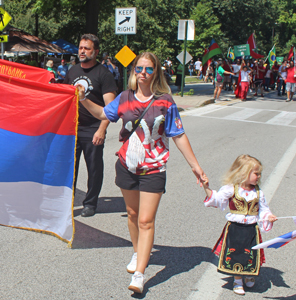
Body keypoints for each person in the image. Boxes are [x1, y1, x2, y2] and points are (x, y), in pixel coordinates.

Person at [76, 52, 208, 293]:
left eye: (148, 69)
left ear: (156, 72)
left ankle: (139, 274)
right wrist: (83, 97)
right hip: (127, 165)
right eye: (139, 69)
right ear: (133, 72)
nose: (143, 73)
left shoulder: (165, 101)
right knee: (132, 214)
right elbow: (101, 114)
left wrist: (195, 166)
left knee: (146, 220)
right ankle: (138, 252)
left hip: (154, 168)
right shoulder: (124, 98)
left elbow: (177, 134)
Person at [203, 154, 277, 296]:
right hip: (235, 229)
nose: (259, 176)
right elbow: (217, 200)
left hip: (251, 229)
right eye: (256, 173)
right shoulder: (231, 189)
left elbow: (263, 209)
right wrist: (206, 188)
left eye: (260, 173)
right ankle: (237, 281)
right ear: (243, 173)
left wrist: (269, 216)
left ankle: (249, 274)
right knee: (236, 254)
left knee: (250, 253)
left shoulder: (258, 193)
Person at [64, 34, 117, 217]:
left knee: (94, 167)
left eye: (86, 48)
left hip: (93, 128)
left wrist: (101, 130)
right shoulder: (72, 71)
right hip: (72, 129)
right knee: (69, 168)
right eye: (80, 47)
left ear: (95, 51)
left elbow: (110, 109)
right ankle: (66, 201)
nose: (82, 51)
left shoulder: (104, 74)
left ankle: (90, 203)